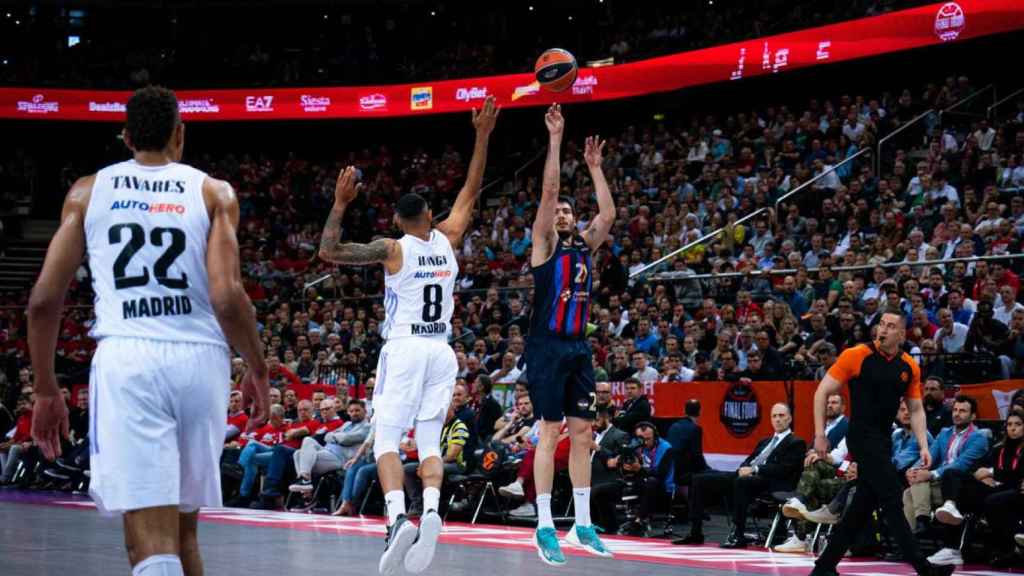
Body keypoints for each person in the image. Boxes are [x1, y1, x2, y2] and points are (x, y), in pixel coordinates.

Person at [27, 86, 269, 576]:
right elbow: (227, 297)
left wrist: (46, 388)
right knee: (183, 535)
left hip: (130, 357)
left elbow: (43, 302)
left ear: (125, 136)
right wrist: (258, 368)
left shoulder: (86, 191)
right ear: (181, 134)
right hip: (201, 360)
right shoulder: (213, 192)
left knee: (148, 544)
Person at [317, 96, 498, 576]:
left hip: (403, 348)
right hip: (442, 350)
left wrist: (339, 203)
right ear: (432, 215)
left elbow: (329, 251)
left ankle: (398, 519)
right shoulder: (450, 236)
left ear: (399, 221)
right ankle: (434, 509)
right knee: (431, 442)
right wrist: (481, 136)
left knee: (387, 443)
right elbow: (471, 188)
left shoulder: (391, 249)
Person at [526, 104, 616, 565]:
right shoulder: (543, 245)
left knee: (583, 434)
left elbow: (608, 213)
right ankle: (544, 526)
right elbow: (549, 190)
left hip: (579, 347)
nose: (561, 212)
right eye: (557, 210)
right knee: (550, 431)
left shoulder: (584, 244)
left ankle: (581, 523)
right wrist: (557, 140)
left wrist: (596, 169)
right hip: (545, 347)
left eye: (566, 211)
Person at [808, 309, 954, 576]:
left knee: (862, 505)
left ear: (901, 332)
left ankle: (824, 567)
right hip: (861, 436)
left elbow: (917, 409)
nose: (883, 330)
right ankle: (923, 567)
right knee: (891, 497)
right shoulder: (856, 355)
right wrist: (820, 434)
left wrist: (923, 445)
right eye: (881, 324)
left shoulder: (909, 365)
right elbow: (822, 392)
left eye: (890, 326)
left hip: (884, 439)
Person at [675, 403, 805, 548]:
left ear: (790, 418)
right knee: (698, 479)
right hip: (748, 477)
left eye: (781, 416)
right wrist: (745, 468)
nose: (777, 419)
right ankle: (695, 532)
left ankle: (739, 535)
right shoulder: (765, 441)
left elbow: (783, 469)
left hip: (772, 483)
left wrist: (755, 469)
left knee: (742, 482)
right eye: (774, 416)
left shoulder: (796, 442)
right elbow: (748, 460)